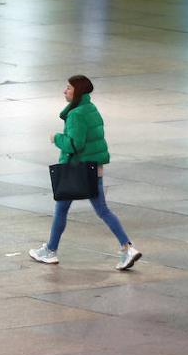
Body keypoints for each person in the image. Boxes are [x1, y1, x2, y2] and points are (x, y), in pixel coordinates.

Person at [29, 75, 142, 271]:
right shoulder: (91, 109)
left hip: (77, 171)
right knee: (103, 211)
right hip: (93, 170)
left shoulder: (77, 114)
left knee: (61, 209)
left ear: (77, 92)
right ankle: (127, 247)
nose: (65, 91)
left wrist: (56, 138)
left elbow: (75, 144)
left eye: (68, 88)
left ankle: (50, 251)